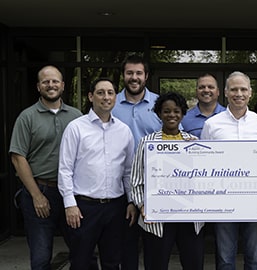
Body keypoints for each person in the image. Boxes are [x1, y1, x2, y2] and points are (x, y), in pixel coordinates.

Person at [8, 65, 83, 270]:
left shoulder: (76, 116)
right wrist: (36, 195)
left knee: (83, 251)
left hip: (71, 193)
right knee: (41, 257)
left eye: (55, 81)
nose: (51, 85)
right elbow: (18, 157)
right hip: (40, 192)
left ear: (63, 85)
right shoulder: (27, 117)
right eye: (45, 81)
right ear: (38, 87)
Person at [58, 78, 135, 269]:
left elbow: (128, 172)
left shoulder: (124, 131)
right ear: (91, 96)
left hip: (115, 208)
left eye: (110, 93)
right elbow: (65, 169)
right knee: (81, 262)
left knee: (112, 262)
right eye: (100, 93)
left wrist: (131, 201)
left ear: (115, 97)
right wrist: (70, 205)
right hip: (84, 208)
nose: (106, 97)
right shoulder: (76, 128)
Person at [200, 71, 257, 270]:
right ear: (225, 93)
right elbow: (204, 163)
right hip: (223, 201)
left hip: (255, 200)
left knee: (254, 260)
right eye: (234, 89)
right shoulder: (211, 125)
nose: (238, 93)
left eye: (243, 89)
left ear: (250, 93)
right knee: (224, 260)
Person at [131, 92, 205, 270]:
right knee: (156, 264)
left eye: (176, 111)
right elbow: (136, 180)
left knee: (193, 263)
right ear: (159, 114)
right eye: (166, 111)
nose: (172, 115)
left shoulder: (194, 142)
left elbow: (203, 178)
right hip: (157, 218)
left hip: (189, 218)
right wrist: (142, 206)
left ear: (182, 114)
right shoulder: (147, 143)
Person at [112, 54, 161, 269]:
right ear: (123, 75)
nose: (134, 77)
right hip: (119, 186)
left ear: (146, 76)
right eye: (129, 73)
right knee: (126, 248)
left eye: (138, 73)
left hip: (154, 186)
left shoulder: (161, 105)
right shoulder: (110, 104)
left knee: (155, 247)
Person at [181, 73, 225, 138]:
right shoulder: (184, 119)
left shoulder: (229, 115)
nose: (206, 90)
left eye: (210, 87)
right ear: (196, 91)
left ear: (218, 91)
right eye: (202, 87)